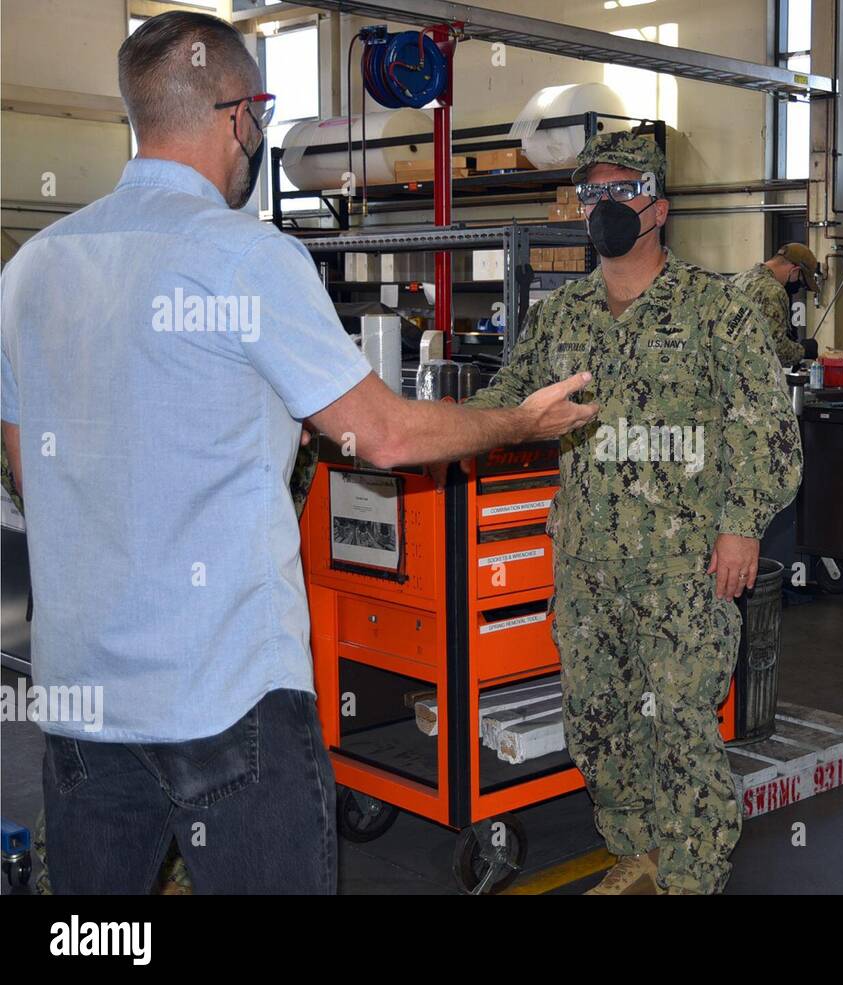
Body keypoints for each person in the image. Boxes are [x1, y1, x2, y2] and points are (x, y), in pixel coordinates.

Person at [0, 11, 594, 895]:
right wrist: (518, 423)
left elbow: (22, 459)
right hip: (226, 696)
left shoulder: (32, 269)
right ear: (239, 115)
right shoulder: (245, 257)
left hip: (84, 704)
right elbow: (383, 434)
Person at [465, 132, 802, 894]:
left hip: (684, 568)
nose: (603, 207)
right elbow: (509, 400)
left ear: (659, 207)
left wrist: (742, 523)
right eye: (591, 195)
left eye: (621, 190)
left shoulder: (717, 308)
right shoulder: (562, 317)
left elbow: (765, 425)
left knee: (680, 726)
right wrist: (420, 423)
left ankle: (690, 872)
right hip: (587, 565)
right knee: (598, 722)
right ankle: (639, 853)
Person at [730, 244, 820, 366]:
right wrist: (803, 350)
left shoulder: (737, 279)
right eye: (800, 282)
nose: (798, 287)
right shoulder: (773, 290)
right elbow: (774, 348)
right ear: (795, 270)